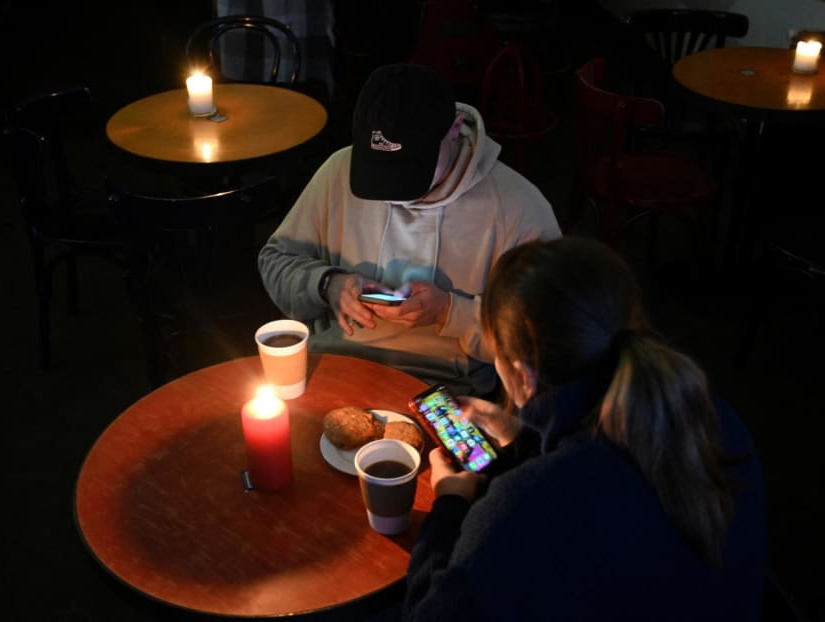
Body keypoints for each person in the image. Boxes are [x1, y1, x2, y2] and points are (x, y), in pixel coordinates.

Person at [404, 237, 767, 621]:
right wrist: (523, 436)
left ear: (523, 377)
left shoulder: (521, 506)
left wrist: (449, 503)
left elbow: (429, 612)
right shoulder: (711, 415)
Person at [258, 63, 561, 396]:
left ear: (455, 129)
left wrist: (449, 311)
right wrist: (328, 284)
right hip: (333, 364)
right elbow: (275, 260)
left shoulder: (516, 205)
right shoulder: (338, 172)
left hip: (445, 387)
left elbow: (547, 335)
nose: (392, 192)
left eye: (408, 170)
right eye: (378, 172)